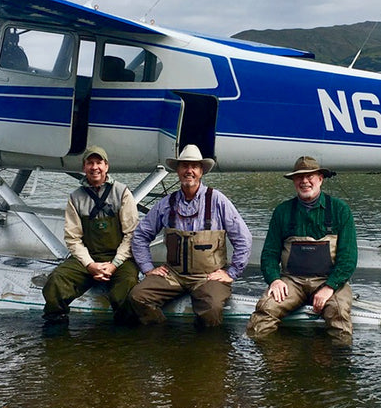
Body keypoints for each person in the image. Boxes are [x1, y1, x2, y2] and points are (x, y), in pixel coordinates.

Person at [129, 144, 252, 328]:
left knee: (211, 309)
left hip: (207, 277)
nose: (189, 170)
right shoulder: (166, 203)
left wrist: (231, 272)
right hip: (174, 275)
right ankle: (164, 339)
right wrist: (147, 268)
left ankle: (206, 350)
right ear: (178, 171)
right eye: (184, 166)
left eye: (194, 166)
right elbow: (140, 236)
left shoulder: (217, 200)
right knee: (137, 297)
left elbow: (243, 238)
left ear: (201, 171)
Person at [246, 156, 358, 343]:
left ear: (320, 179)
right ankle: (270, 364)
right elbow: (269, 255)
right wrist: (274, 280)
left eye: (310, 176)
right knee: (265, 311)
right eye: (299, 177)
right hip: (291, 281)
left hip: (329, 281)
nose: (304, 181)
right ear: (294, 181)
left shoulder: (340, 210)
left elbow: (348, 259)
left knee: (338, 314)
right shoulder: (282, 211)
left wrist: (330, 287)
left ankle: (339, 365)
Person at [41, 146, 139, 325]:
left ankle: (125, 335)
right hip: (88, 258)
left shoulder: (122, 192)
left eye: (99, 163)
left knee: (126, 287)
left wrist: (114, 265)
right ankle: (56, 329)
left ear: (106, 166)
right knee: (56, 281)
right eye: (90, 163)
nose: (95, 167)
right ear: (84, 168)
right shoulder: (75, 198)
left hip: (120, 258)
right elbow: (73, 238)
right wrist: (90, 265)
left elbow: (131, 234)